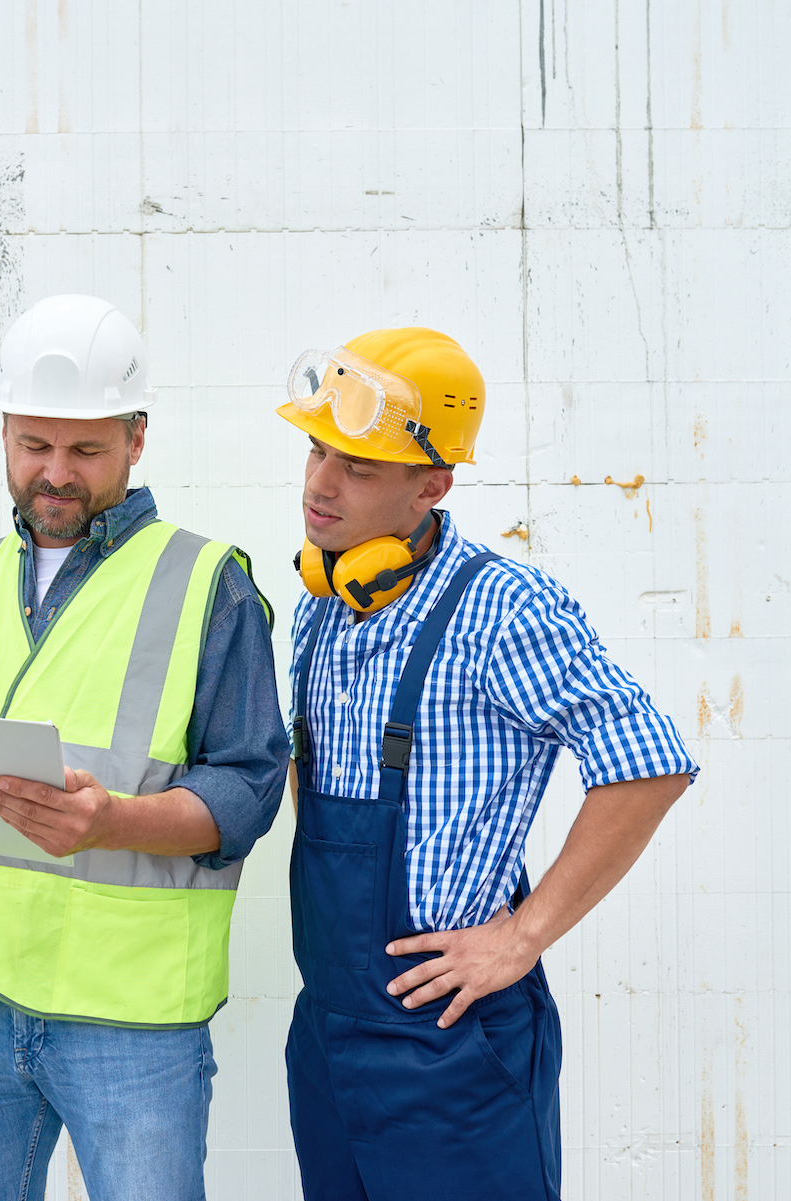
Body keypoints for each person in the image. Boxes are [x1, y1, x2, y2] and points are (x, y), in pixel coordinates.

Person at [0, 294, 289, 1201]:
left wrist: (112, 820)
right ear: (6, 431)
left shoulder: (206, 583)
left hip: (130, 1021)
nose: (54, 474)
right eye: (33, 445)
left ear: (136, 439)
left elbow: (251, 790)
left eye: (86, 449)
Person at [276, 327, 699, 1199]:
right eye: (319, 449)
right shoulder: (320, 608)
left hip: (452, 1048)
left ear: (433, 484)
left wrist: (521, 934)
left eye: (358, 465)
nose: (321, 482)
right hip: (325, 1037)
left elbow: (650, 763)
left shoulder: (503, 608)